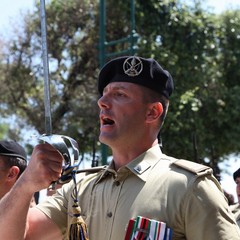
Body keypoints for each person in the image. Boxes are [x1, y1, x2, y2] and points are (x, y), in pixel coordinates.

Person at [0, 56, 239, 240]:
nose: (102, 102)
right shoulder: (78, 190)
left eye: (120, 94)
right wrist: (26, 183)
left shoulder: (191, 187)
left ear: (152, 112)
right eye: (104, 94)